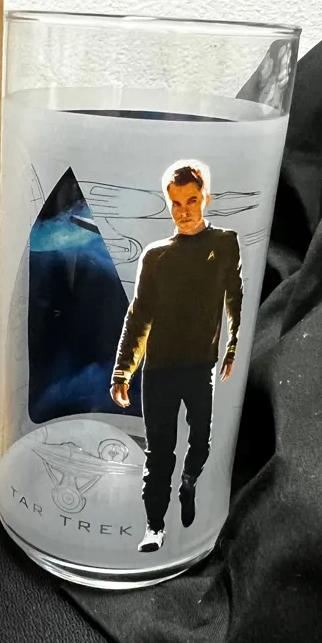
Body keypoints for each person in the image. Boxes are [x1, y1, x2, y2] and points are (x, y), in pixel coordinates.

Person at [110, 160, 243, 553]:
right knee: (158, 454)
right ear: (168, 205)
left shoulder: (225, 243)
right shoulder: (155, 256)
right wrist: (122, 372)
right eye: (176, 203)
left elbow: (235, 297)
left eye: (192, 200)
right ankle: (155, 527)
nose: (184, 210)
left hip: (200, 368)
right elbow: (138, 316)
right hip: (159, 371)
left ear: (206, 198)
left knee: (200, 441)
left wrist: (232, 346)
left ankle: (189, 481)